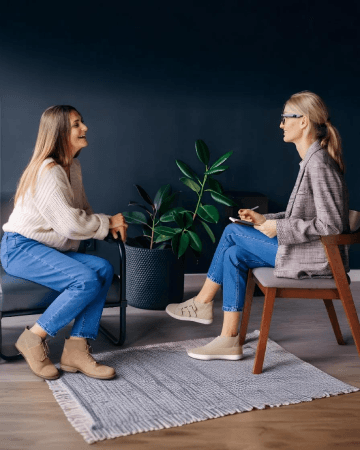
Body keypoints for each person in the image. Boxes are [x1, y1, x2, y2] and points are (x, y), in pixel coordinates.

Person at [166, 91, 350, 361]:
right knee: (233, 254)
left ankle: (202, 302)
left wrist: (281, 230)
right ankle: (229, 339)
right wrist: (266, 220)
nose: (281, 124)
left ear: (304, 121)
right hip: (306, 250)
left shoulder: (319, 164)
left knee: (231, 232)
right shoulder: (311, 161)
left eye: (286, 117)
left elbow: (331, 225)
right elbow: (298, 213)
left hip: (317, 259)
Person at [0, 105, 128, 380]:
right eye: (76, 124)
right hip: (21, 249)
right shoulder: (49, 171)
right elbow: (70, 223)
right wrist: (106, 223)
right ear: (59, 133)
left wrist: (109, 224)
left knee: (103, 269)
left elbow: (81, 211)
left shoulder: (72, 167)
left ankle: (76, 351)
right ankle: (33, 338)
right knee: (85, 279)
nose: (85, 128)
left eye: (82, 122)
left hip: (46, 249)